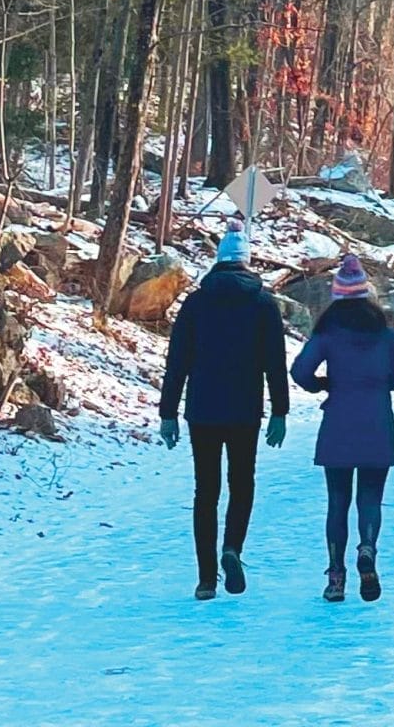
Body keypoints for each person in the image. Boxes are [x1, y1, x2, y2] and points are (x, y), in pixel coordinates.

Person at [158, 225, 289, 601]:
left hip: (203, 409)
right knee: (242, 483)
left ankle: (205, 579)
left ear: (218, 261)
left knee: (206, 491)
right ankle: (232, 547)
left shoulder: (196, 304)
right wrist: (280, 410)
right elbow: (274, 364)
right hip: (245, 410)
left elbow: (177, 362)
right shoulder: (263, 304)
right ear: (246, 261)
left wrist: (168, 412)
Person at [289, 255, 394, 604]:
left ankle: (335, 577)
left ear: (337, 297)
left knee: (337, 501)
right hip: (377, 422)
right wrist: (379, 383)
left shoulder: (328, 334)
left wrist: (323, 385)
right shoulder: (385, 335)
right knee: (371, 496)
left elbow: (299, 372)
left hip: (338, 424)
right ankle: (368, 549)